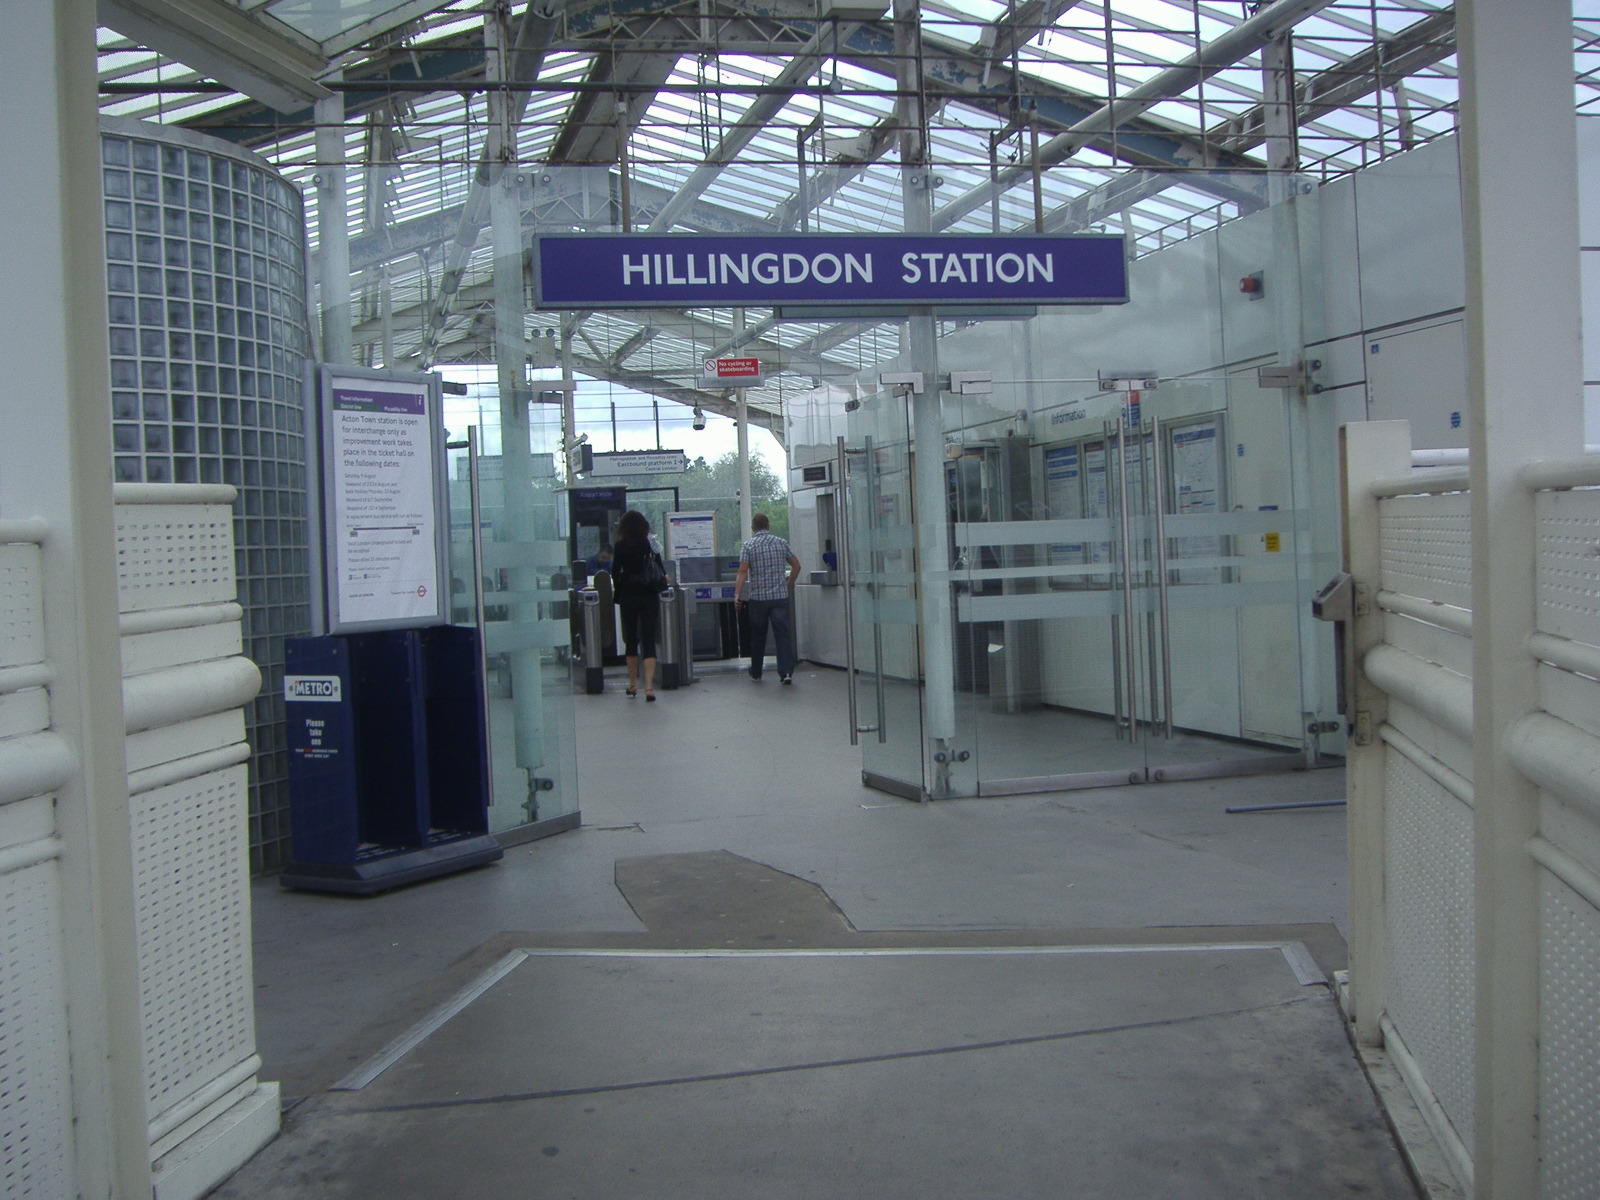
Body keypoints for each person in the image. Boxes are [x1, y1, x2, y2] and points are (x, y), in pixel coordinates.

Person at [734, 512, 801, 683]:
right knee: (782, 634)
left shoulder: (748, 546)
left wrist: (737, 594)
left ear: (753, 528)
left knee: (758, 635)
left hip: (758, 599)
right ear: (769, 526)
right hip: (779, 598)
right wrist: (789, 584)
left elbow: (742, 571)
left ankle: (756, 671)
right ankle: (786, 672)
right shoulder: (781, 543)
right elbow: (796, 565)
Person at [610, 510, 665, 701]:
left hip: (629, 595)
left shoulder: (620, 545)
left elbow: (615, 572)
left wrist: (621, 588)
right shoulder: (650, 544)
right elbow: (660, 569)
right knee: (648, 639)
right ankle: (649, 687)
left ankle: (633, 684)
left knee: (631, 639)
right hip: (649, 595)